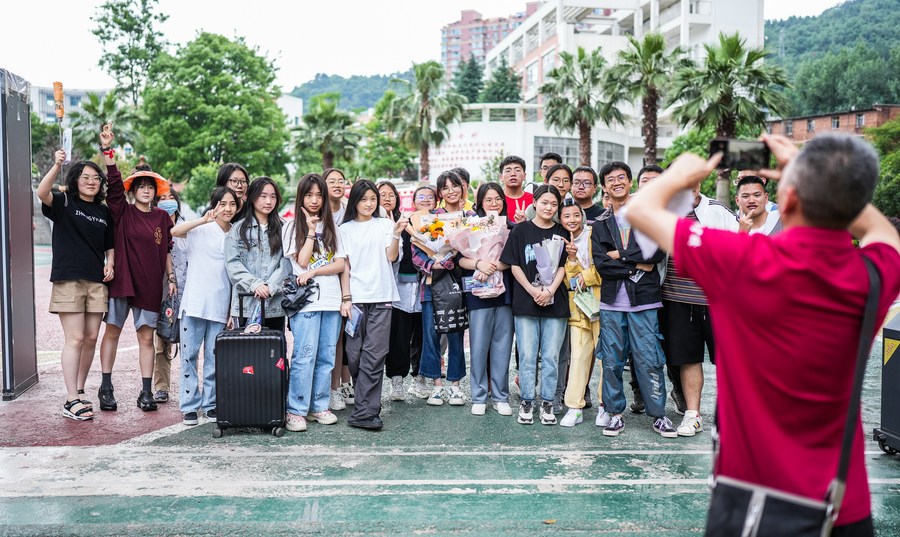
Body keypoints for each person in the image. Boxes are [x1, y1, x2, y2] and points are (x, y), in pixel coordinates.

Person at [626, 133, 900, 535]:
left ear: (785, 200)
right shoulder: (872, 274)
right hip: (844, 505)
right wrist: (821, 178)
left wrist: (680, 174)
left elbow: (640, 209)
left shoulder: (741, 259)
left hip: (755, 505)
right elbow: (884, 233)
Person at [592, 161, 676, 438]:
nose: (616, 182)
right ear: (604, 187)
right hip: (612, 303)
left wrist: (622, 256)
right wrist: (636, 264)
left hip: (645, 301)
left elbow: (656, 254)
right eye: (610, 179)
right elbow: (602, 264)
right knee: (612, 361)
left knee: (649, 358)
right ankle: (615, 414)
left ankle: (659, 415)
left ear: (630, 182)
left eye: (621, 178)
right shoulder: (600, 224)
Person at [97, 126, 175, 413]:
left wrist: (171, 278)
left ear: (156, 192)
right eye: (141, 185)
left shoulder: (162, 217)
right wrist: (108, 152)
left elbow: (167, 250)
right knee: (112, 332)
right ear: (133, 190)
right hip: (122, 282)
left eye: (150, 186)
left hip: (149, 285)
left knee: (146, 338)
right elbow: (114, 186)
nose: (146, 189)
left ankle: (146, 392)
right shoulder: (122, 211)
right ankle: (106, 387)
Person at [37, 149, 115, 421]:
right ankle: (70, 399)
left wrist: (110, 262)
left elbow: (109, 243)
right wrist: (57, 164)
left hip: (96, 281)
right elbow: (42, 192)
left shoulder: (103, 211)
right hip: (69, 278)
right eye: (85, 177)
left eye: (96, 178)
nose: (92, 182)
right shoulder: (64, 202)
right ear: (75, 180)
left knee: (91, 337)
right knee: (76, 338)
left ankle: (80, 390)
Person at [658, 183, 737, 437]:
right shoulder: (664, 212)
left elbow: (739, 247)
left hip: (717, 301)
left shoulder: (718, 211)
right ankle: (693, 415)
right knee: (688, 358)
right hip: (677, 299)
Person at [339, 180, 407, 430]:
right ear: (354, 201)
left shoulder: (386, 225)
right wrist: (346, 298)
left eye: (373, 199)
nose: (369, 204)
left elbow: (391, 256)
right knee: (354, 354)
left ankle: (366, 412)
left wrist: (397, 233)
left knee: (375, 354)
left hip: (382, 297)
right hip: (356, 301)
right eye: (363, 199)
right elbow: (344, 266)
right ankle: (364, 403)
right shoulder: (344, 229)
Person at [500, 185, 569, 426]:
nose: (549, 207)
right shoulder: (521, 230)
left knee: (551, 356)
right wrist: (532, 290)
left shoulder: (562, 232)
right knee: (528, 355)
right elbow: (514, 264)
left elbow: (564, 266)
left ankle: (548, 402)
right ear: (535, 203)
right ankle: (527, 401)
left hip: (555, 301)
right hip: (525, 300)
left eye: (554, 204)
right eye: (544, 202)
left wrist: (549, 291)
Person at [282, 174, 346, 432]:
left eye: (319, 195)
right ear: (301, 197)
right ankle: (296, 410)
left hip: (331, 301)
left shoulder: (333, 228)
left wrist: (317, 271)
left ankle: (319, 406)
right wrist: (310, 231)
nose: (314, 200)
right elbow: (302, 261)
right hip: (306, 303)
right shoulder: (291, 227)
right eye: (309, 195)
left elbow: (340, 264)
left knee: (326, 357)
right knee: (304, 356)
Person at [171, 187, 238, 425]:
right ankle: (189, 406)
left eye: (232, 204)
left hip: (220, 307)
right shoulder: (200, 229)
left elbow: (235, 276)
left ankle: (211, 405)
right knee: (189, 357)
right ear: (214, 204)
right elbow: (174, 231)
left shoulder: (236, 234)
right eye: (223, 203)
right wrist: (203, 219)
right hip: (194, 305)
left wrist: (231, 310)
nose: (227, 208)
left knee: (214, 359)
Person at [412, 171, 472, 407]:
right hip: (431, 284)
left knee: (456, 333)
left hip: (458, 284)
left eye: (454, 186)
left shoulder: (470, 217)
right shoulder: (430, 218)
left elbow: (476, 247)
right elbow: (417, 251)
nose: (451, 191)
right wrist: (432, 264)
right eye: (445, 188)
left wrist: (458, 255)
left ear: (462, 188)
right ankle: (436, 385)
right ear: (440, 193)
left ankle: (455, 385)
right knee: (431, 335)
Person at [459, 183, 514, 416]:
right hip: (478, 292)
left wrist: (494, 266)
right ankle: (479, 395)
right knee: (479, 346)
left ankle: (501, 396)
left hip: (505, 294)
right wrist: (479, 264)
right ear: (480, 202)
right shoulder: (470, 226)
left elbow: (514, 259)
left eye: (498, 199)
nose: (494, 203)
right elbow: (460, 259)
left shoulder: (511, 227)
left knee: (503, 346)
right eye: (488, 199)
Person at [558, 196, 603, 427]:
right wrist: (572, 259)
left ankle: (606, 405)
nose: (572, 220)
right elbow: (566, 279)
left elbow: (604, 265)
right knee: (577, 357)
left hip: (602, 303)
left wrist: (586, 275)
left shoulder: (595, 234)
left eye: (576, 215)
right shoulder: (560, 241)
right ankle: (574, 407)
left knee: (605, 357)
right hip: (578, 306)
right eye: (567, 216)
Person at [224, 177, 290, 331]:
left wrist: (270, 287)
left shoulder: (284, 228)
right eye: (263, 196)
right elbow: (232, 263)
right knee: (246, 346)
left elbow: (287, 262)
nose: (269, 201)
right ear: (252, 197)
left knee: (274, 345)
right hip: (245, 304)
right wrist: (255, 284)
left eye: (273, 196)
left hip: (274, 305)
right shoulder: (238, 229)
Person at [389, 185, 435, 399]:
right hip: (402, 288)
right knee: (399, 337)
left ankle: (419, 378)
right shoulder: (405, 223)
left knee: (422, 336)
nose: (426, 200)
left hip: (428, 288)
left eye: (430, 197)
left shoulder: (440, 224)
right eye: (421, 197)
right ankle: (396, 380)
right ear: (413, 201)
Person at [151, 187, 188, 403]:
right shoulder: (153, 226)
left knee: (188, 344)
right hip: (162, 292)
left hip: (188, 290)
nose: (167, 201)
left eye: (171, 197)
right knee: (162, 340)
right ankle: (161, 387)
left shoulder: (187, 226)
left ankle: (187, 387)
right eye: (162, 198)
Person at [324, 168, 354, 409]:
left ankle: (345, 382)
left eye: (340, 181)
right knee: (333, 337)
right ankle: (332, 388)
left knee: (348, 334)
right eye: (331, 181)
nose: (337, 185)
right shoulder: (318, 212)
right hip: (325, 281)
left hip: (351, 278)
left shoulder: (350, 211)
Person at [500, 156, 532, 224]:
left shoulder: (534, 200)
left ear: (524, 176)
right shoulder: (496, 201)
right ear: (501, 177)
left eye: (517, 170)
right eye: (508, 171)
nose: (513, 174)